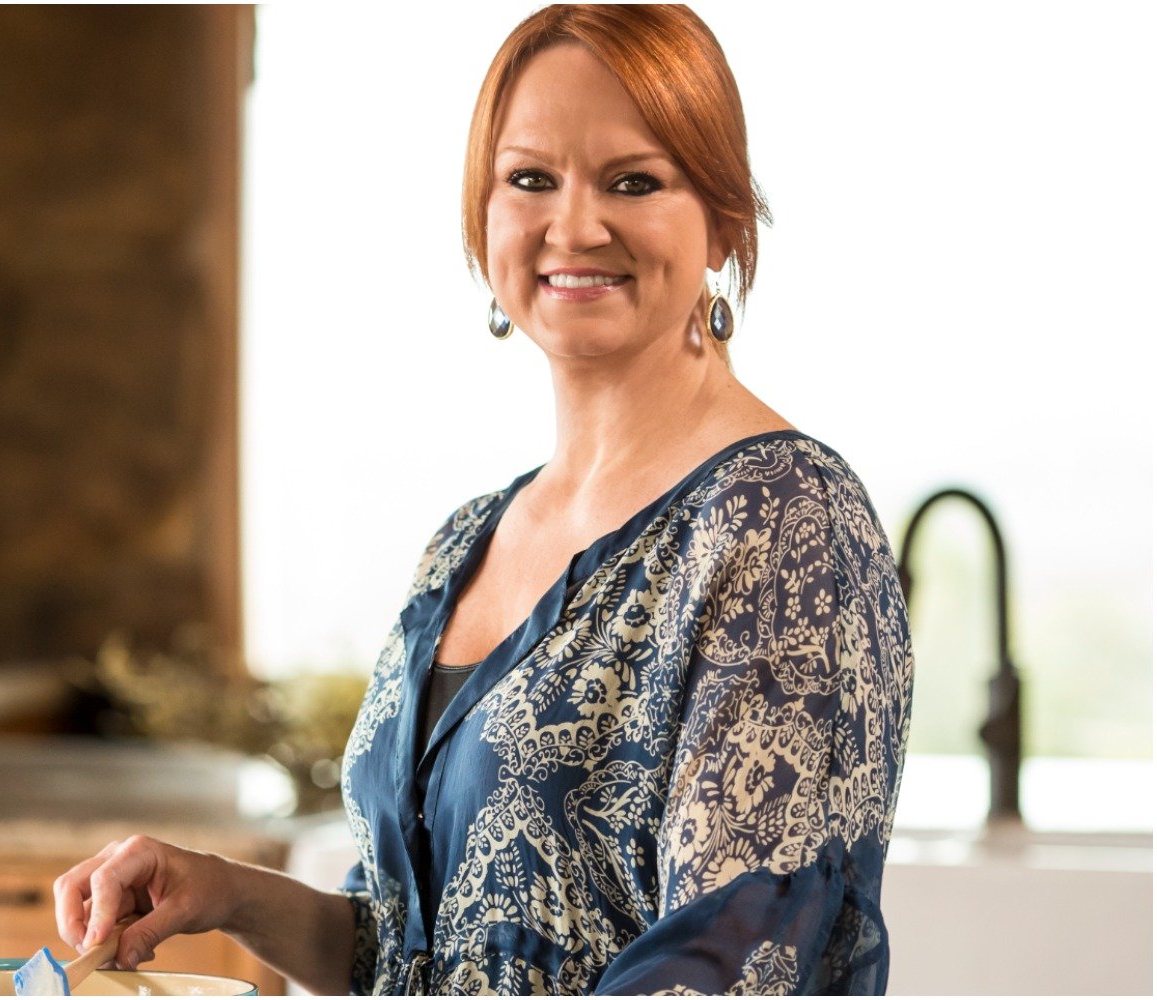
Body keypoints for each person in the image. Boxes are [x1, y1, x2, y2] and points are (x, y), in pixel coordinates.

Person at [50, 5, 914, 994]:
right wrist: (225, 894)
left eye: (633, 180)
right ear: (483, 217)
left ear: (719, 219)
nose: (574, 225)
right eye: (529, 179)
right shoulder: (467, 539)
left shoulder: (779, 520)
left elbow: (730, 967)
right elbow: (425, 956)